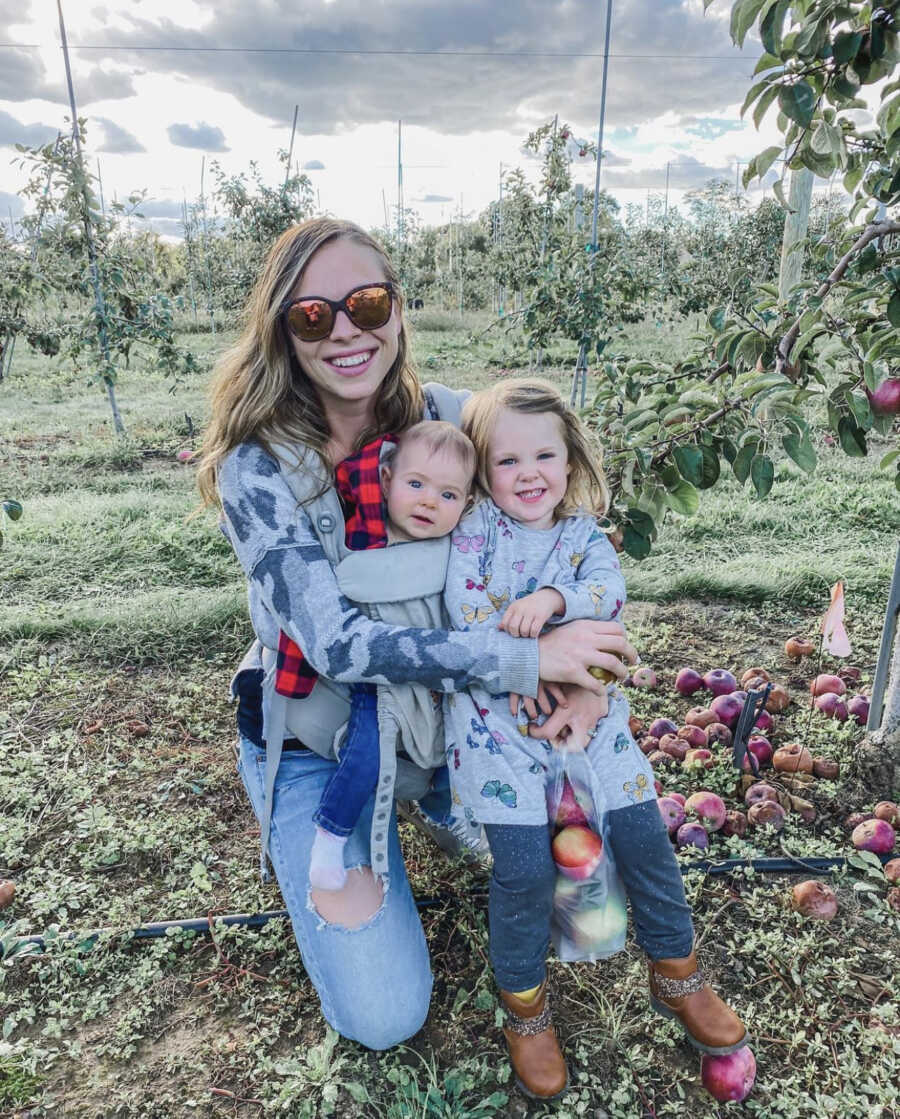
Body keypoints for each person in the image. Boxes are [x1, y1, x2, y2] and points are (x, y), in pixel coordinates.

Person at [196, 216, 637, 1052]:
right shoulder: (258, 469)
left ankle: (444, 800)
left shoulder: (453, 420)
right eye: (314, 316)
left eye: (367, 302)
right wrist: (526, 656)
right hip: (323, 737)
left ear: (398, 308)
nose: (348, 331)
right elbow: (338, 644)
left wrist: (583, 669)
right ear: (283, 331)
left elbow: (564, 524)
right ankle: (363, 821)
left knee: (581, 878)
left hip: (444, 717)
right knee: (385, 1013)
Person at [444, 378, 748, 1100]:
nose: (528, 475)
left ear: (570, 458)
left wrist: (553, 601)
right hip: (500, 732)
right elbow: (463, 608)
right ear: (484, 470)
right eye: (507, 461)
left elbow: (609, 600)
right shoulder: (475, 530)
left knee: (644, 837)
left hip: (591, 724)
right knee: (523, 871)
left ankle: (678, 971)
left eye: (543, 455)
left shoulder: (583, 538)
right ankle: (525, 1007)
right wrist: (527, 654)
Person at [306, 421, 477, 891]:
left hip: (445, 683)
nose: (427, 501)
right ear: (386, 481)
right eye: (415, 484)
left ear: (467, 504)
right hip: (381, 680)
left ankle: (454, 820)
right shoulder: (369, 530)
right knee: (366, 756)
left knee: (458, 759)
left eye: (448, 495)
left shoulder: (460, 547)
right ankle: (330, 835)